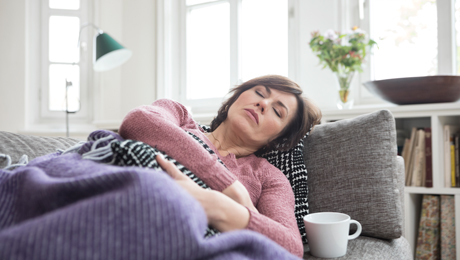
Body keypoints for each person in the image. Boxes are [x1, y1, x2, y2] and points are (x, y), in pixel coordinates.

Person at [118, 75, 322, 258]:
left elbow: (291, 249)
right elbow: (137, 121)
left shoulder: (269, 177)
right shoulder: (180, 117)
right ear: (236, 98)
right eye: (259, 92)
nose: (263, 103)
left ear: (278, 139)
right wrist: (230, 187)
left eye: (277, 112)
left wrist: (216, 206)